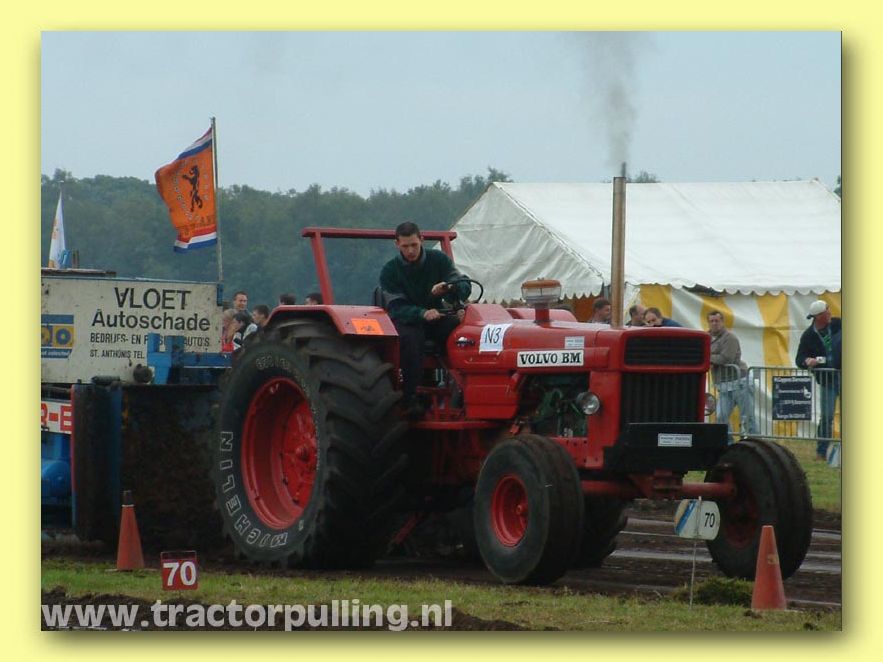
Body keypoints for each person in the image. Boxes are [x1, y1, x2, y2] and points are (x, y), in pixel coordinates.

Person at [379, 221, 471, 418]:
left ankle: (465, 388)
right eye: (405, 246)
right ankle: (411, 397)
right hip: (407, 320)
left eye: (414, 245)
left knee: (461, 333)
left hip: (437, 317)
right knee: (412, 339)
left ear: (422, 240)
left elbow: (463, 285)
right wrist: (422, 313)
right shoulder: (390, 270)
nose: (410, 251)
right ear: (397, 244)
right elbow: (396, 307)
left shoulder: (439, 260)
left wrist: (449, 287)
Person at [795, 300, 842, 459]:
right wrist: (807, 361)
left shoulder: (838, 324)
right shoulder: (808, 336)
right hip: (827, 381)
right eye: (827, 312)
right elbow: (799, 358)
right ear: (819, 316)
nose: (830, 313)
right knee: (827, 417)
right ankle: (821, 452)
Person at [707, 311, 756, 440]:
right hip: (723, 385)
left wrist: (707, 357)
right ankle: (728, 444)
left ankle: (755, 443)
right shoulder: (706, 338)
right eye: (711, 321)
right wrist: (711, 358)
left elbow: (726, 358)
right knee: (720, 417)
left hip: (740, 382)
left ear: (722, 322)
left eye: (717, 321)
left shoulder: (730, 338)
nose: (714, 323)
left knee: (747, 417)